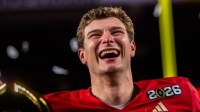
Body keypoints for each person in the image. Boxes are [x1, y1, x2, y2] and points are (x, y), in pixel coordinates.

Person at [1, 6, 200, 111]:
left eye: (116, 32)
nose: (107, 38)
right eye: (95, 35)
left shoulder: (181, 92)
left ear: (132, 48)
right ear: (82, 56)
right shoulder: (51, 108)